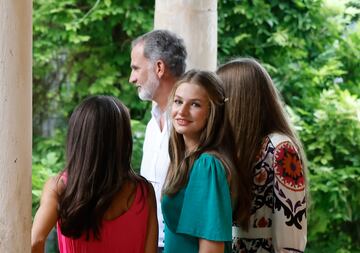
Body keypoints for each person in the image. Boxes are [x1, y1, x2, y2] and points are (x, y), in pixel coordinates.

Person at [31, 96, 158, 253]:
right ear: (122, 139)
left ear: (77, 138)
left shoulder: (60, 188)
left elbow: (35, 240)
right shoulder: (143, 192)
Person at [217, 58, 308, 253]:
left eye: (220, 97)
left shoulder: (280, 148)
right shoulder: (231, 147)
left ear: (238, 99)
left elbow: (291, 232)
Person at [161, 70, 238, 253]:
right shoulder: (184, 161)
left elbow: (211, 249)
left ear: (212, 113)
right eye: (178, 101)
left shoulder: (208, 166)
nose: (182, 111)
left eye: (195, 104)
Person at [129, 29, 187, 251]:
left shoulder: (190, 126)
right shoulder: (153, 124)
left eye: (135, 68)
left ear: (159, 68)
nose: (132, 78)